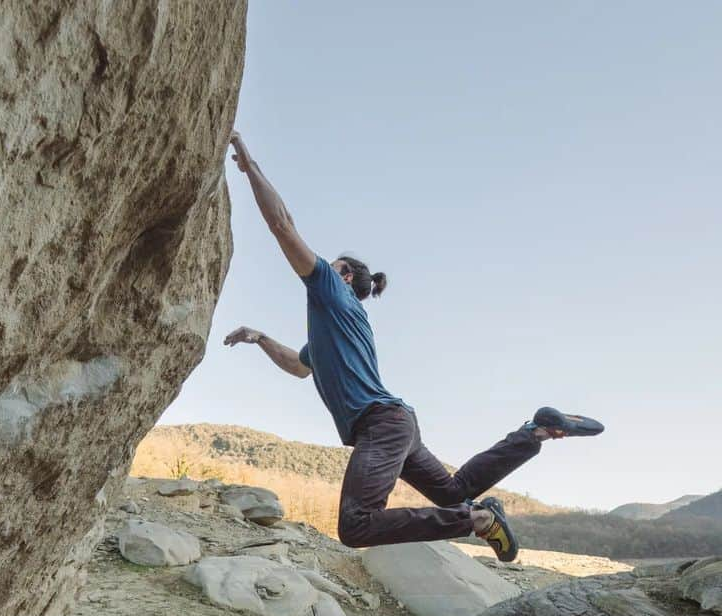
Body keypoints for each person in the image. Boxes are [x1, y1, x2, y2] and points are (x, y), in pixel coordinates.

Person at [223, 131, 603, 562]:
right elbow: (298, 366)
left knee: (356, 524)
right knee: (453, 491)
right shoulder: (334, 329)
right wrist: (260, 339)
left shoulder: (333, 291)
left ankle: (476, 520)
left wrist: (251, 167)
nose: (324, 263)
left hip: (381, 425)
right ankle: (532, 433)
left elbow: (282, 225)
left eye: (335, 264)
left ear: (345, 277)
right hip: (397, 423)